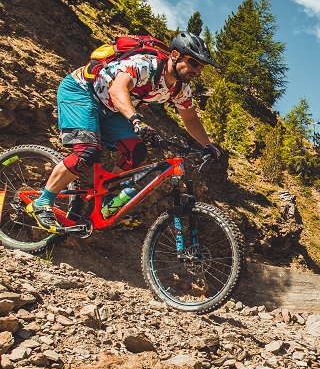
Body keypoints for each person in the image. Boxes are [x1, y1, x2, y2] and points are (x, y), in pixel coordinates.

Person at [27, 31, 223, 231]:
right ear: (174, 55)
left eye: (201, 66)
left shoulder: (180, 89)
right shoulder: (146, 65)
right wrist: (135, 120)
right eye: (193, 62)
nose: (197, 70)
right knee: (87, 151)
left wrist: (208, 145)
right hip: (82, 92)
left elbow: (190, 118)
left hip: (111, 109)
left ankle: (107, 204)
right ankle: (42, 202)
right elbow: (117, 90)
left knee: (135, 151)